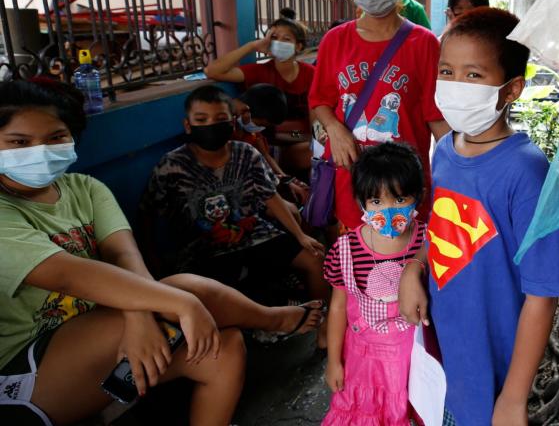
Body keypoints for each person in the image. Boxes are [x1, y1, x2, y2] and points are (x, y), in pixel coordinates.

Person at [0, 78, 322, 426]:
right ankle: (273, 319)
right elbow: (66, 274)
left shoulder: (85, 188)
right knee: (184, 289)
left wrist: (139, 316)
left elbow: (124, 256)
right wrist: (176, 302)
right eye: (19, 142)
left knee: (223, 348)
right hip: (30, 370)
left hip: (113, 330)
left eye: (55, 138)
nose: (41, 151)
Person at [398, 8, 559, 425]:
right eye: (447, 71)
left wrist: (514, 398)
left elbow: (542, 294)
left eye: (473, 75)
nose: (455, 86)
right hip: (444, 349)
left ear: (511, 89)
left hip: (492, 363)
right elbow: (443, 229)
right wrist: (415, 266)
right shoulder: (443, 150)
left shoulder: (526, 172)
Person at [138, 85, 329, 348]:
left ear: (232, 121)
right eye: (202, 120)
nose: (211, 126)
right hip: (204, 251)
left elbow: (270, 196)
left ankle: (325, 329)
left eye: (220, 119)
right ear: (188, 125)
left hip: (256, 235)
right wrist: (152, 263)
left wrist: (301, 236)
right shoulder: (171, 166)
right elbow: (147, 216)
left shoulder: (249, 149)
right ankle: (268, 322)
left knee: (316, 257)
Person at [308, 0, 449, 232]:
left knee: (406, 268)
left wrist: (466, 163)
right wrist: (335, 129)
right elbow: (319, 100)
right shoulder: (335, 40)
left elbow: (435, 116)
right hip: (352, 181)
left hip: (404, 188)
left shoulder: (422, 43)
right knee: (356, 267)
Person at [321, 142, 426, 425]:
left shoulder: (427, 242)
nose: (389, 211)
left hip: (415, 359)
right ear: (361, 202)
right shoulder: (346, 250)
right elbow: (338, 308)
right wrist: (333, 361)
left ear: (419, 197)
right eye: (377, 202)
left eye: (400, 199)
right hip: (363, 362)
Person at [204, 8, 314, 176]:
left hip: (301, 137)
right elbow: (213, 71)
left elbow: (316, 113)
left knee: (320, 149)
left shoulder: (310, 73)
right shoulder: (259, 71)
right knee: (311, 150)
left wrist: (312, 136)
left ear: (298, 46)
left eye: (286, 39)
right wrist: (253, 46)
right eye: (274, 38)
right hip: (268, 144)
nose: (279, 43)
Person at [231, 84, 309, 205]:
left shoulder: (258, 122)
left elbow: (266, 153)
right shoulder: (241, 124)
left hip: (278, 147)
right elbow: (279, 135)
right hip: (271, 155)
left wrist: (285, 178)